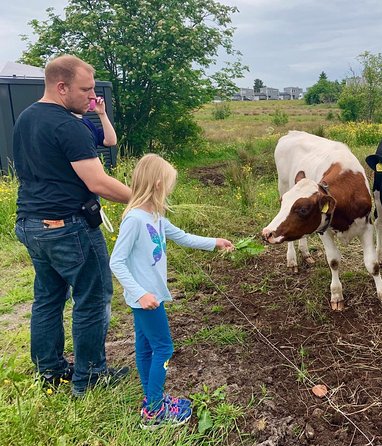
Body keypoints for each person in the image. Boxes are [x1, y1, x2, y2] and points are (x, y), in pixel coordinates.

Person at [12, 54, 132, 396]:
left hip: (32, 226)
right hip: (67, 227)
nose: (91, 97)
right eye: (86, 89)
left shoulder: (27, 118)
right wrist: (144, 198)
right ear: (62, 87)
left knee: (48, 298)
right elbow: (99, 183)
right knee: (93, 299)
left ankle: (48, 371)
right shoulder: (67, 125)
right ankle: (90, 375)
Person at [109, 153, 234, 429]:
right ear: (156, 183)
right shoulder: (135, 220)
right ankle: (154, 411)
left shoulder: (156, 217)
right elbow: (115, 261)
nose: (170, 189)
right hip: (146, 299)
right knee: (164, 348)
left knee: (145, 348)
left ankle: (151, 399)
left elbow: (184, 237)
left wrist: (215, 242)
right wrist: (141, 294)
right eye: (168, 184)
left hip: (150, 297)